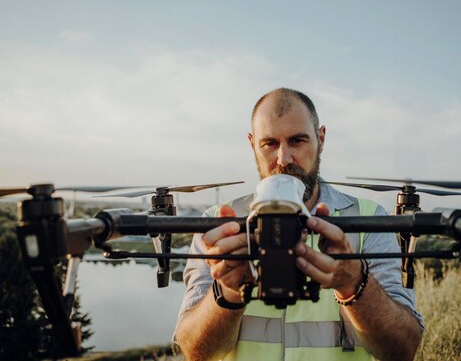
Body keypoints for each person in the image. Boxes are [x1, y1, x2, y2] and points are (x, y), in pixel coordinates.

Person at [174, 88, 423, 361]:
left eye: (297, 141)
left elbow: (403, 349)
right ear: (252, 144)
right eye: (269, 143)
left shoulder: (369, 219)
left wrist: (354, 282)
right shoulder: (219, 223)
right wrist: (228, 291)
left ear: (321, 138)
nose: (283, 159)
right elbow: (194, 351)